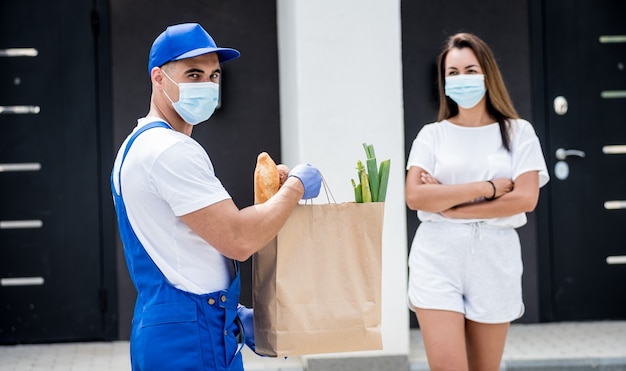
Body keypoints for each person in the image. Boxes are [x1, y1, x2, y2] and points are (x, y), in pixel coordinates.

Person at [110, 23, 322, 370]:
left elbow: (181, 246)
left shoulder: (136, 145)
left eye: (213, 76)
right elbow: (238, 239)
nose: (207, 85)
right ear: (159, 79)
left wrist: (229, 311)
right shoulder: (170, 150)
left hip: (175, 324)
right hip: (190, 339)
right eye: (193, 74)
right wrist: (297, 186)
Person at [405, 33, 549, 371]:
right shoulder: (432, 135)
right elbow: (415, 196)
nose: (461, 79)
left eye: (470, 69)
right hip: (437, 256)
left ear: (487, 74)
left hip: (495, 258)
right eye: (452, 73)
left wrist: (450, 203)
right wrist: (490, 187)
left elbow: (526, 198)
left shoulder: (518, 132)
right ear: (443, 82)